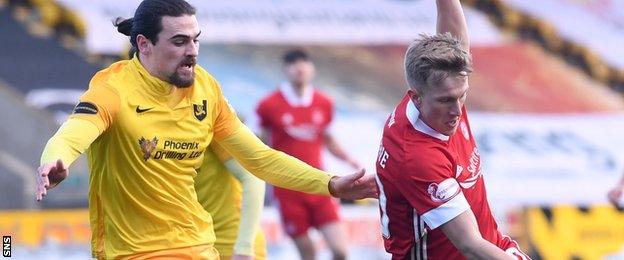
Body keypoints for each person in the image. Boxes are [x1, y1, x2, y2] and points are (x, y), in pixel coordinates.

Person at [34, 0, 377, 258]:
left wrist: (330, 184)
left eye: (196, 40)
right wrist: (56, 158)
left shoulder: (206, 90)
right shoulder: (113, 89)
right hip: (133, 252)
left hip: (198, 246)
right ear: (143, 44)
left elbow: (259, 160)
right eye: (180, 41)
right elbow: (74, 131)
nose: (193, 52)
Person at [374, 0, 530, 259]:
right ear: (416, 98)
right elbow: (469, 243)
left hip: (492, 246)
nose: (458, 111)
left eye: (462, 96)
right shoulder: (418, 156)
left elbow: (454, 39)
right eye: (447, 100)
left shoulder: (440, 89)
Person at [255, 49, 361, 260]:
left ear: (311, 68)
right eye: (293, 63)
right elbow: (258, 143)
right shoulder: (268, 105)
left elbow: (329, 139)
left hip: (320, 184)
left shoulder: (324, 103)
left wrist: (350, 160)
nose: (299, 68)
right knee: (308, 253)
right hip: (287, 189)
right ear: (285, 69)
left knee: (341, 251)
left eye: (304, 62)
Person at [195, 143, 266, 260]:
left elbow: (253, 176)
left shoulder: (209, 128)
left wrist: (244, 249)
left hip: (231, 245)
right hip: (191, 243)